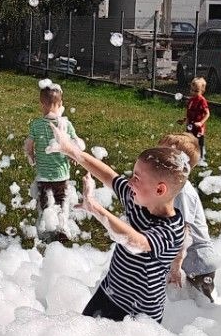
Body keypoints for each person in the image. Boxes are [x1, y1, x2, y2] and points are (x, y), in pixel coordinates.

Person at [49, 131, 188, 323]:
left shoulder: (171, 230)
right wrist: (72, 151)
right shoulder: (137, 199)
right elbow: (109, 176)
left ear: (159, 189)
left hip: (137, 316)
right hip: (108, 291)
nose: (130, 182)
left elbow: (136, 242)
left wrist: (96, 209)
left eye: (137, 178)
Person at [158, 133, 218, 301]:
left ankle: (210, 322)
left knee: (202, 301)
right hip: (188, 257)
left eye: (164, 156)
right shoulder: (171, 186)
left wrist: (175, 266)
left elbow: (183, 232)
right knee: (187, 298)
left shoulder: (183, 192)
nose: (157, 159)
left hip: (198, 260)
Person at [25, 82, 81, 242]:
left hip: (43, 176)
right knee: (63, 201)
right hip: (61, 175)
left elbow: (29, 144)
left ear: (42, 104)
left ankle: (46, 231)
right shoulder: (66, 125)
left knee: (45, 203)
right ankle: (62, 227)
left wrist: (31, 156)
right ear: (61, 104)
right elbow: (73, 144)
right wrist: (73, 156)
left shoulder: (36, 125)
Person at [184, 77, 210, 160]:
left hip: (198, 127)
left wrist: (201, 123)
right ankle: (191, 154)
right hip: (190, 124)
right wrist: (185, 120)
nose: (193, 92)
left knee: (199, 141)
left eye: (196, 91)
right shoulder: (191, 100)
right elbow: (189, 112)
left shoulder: (202, 100)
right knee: (189, 139)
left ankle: (201, 157)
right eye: (192, 90)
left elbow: (207, 114)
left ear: (202, 91)